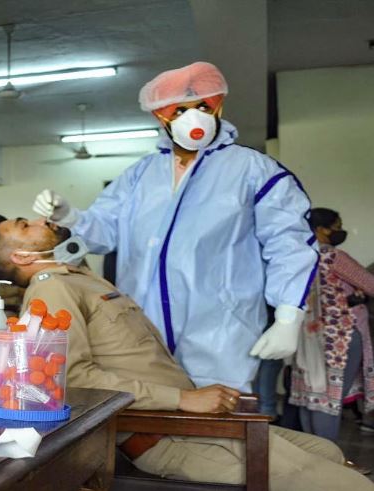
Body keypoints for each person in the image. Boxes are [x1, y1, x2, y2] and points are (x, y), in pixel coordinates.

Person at [0, 214, 374, 490]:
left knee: (328, 450)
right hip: (168, 435)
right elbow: (76, 381)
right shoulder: (52, 290)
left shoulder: (79, 279)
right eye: (25, 225)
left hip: (192, 424)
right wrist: (182, 398)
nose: (40, 221)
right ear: (21, 257)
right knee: (349, 484)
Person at [33, 62, 318, 391]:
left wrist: (288, 314)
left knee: (217, 414)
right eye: (179, 110)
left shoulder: (252, 169)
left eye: (203, 107)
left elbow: (288, 241)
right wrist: (70, 216)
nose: (194, 118)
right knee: (151, 411)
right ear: (161, 117)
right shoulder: (141, 174)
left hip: (220, 330)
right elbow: (104, 231)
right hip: (141, 332)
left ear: (218, 107)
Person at [289, 208, 374, 441]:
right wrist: (357, 295)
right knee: (329, 398)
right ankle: (326, 456)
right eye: (336, 227)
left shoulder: (297, 256)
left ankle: (310, 453)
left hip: (306, 336)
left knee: (309, 396)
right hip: (340, 337)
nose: (340, 231)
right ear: (320, 229)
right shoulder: (333, 257)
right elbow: (370, 284)